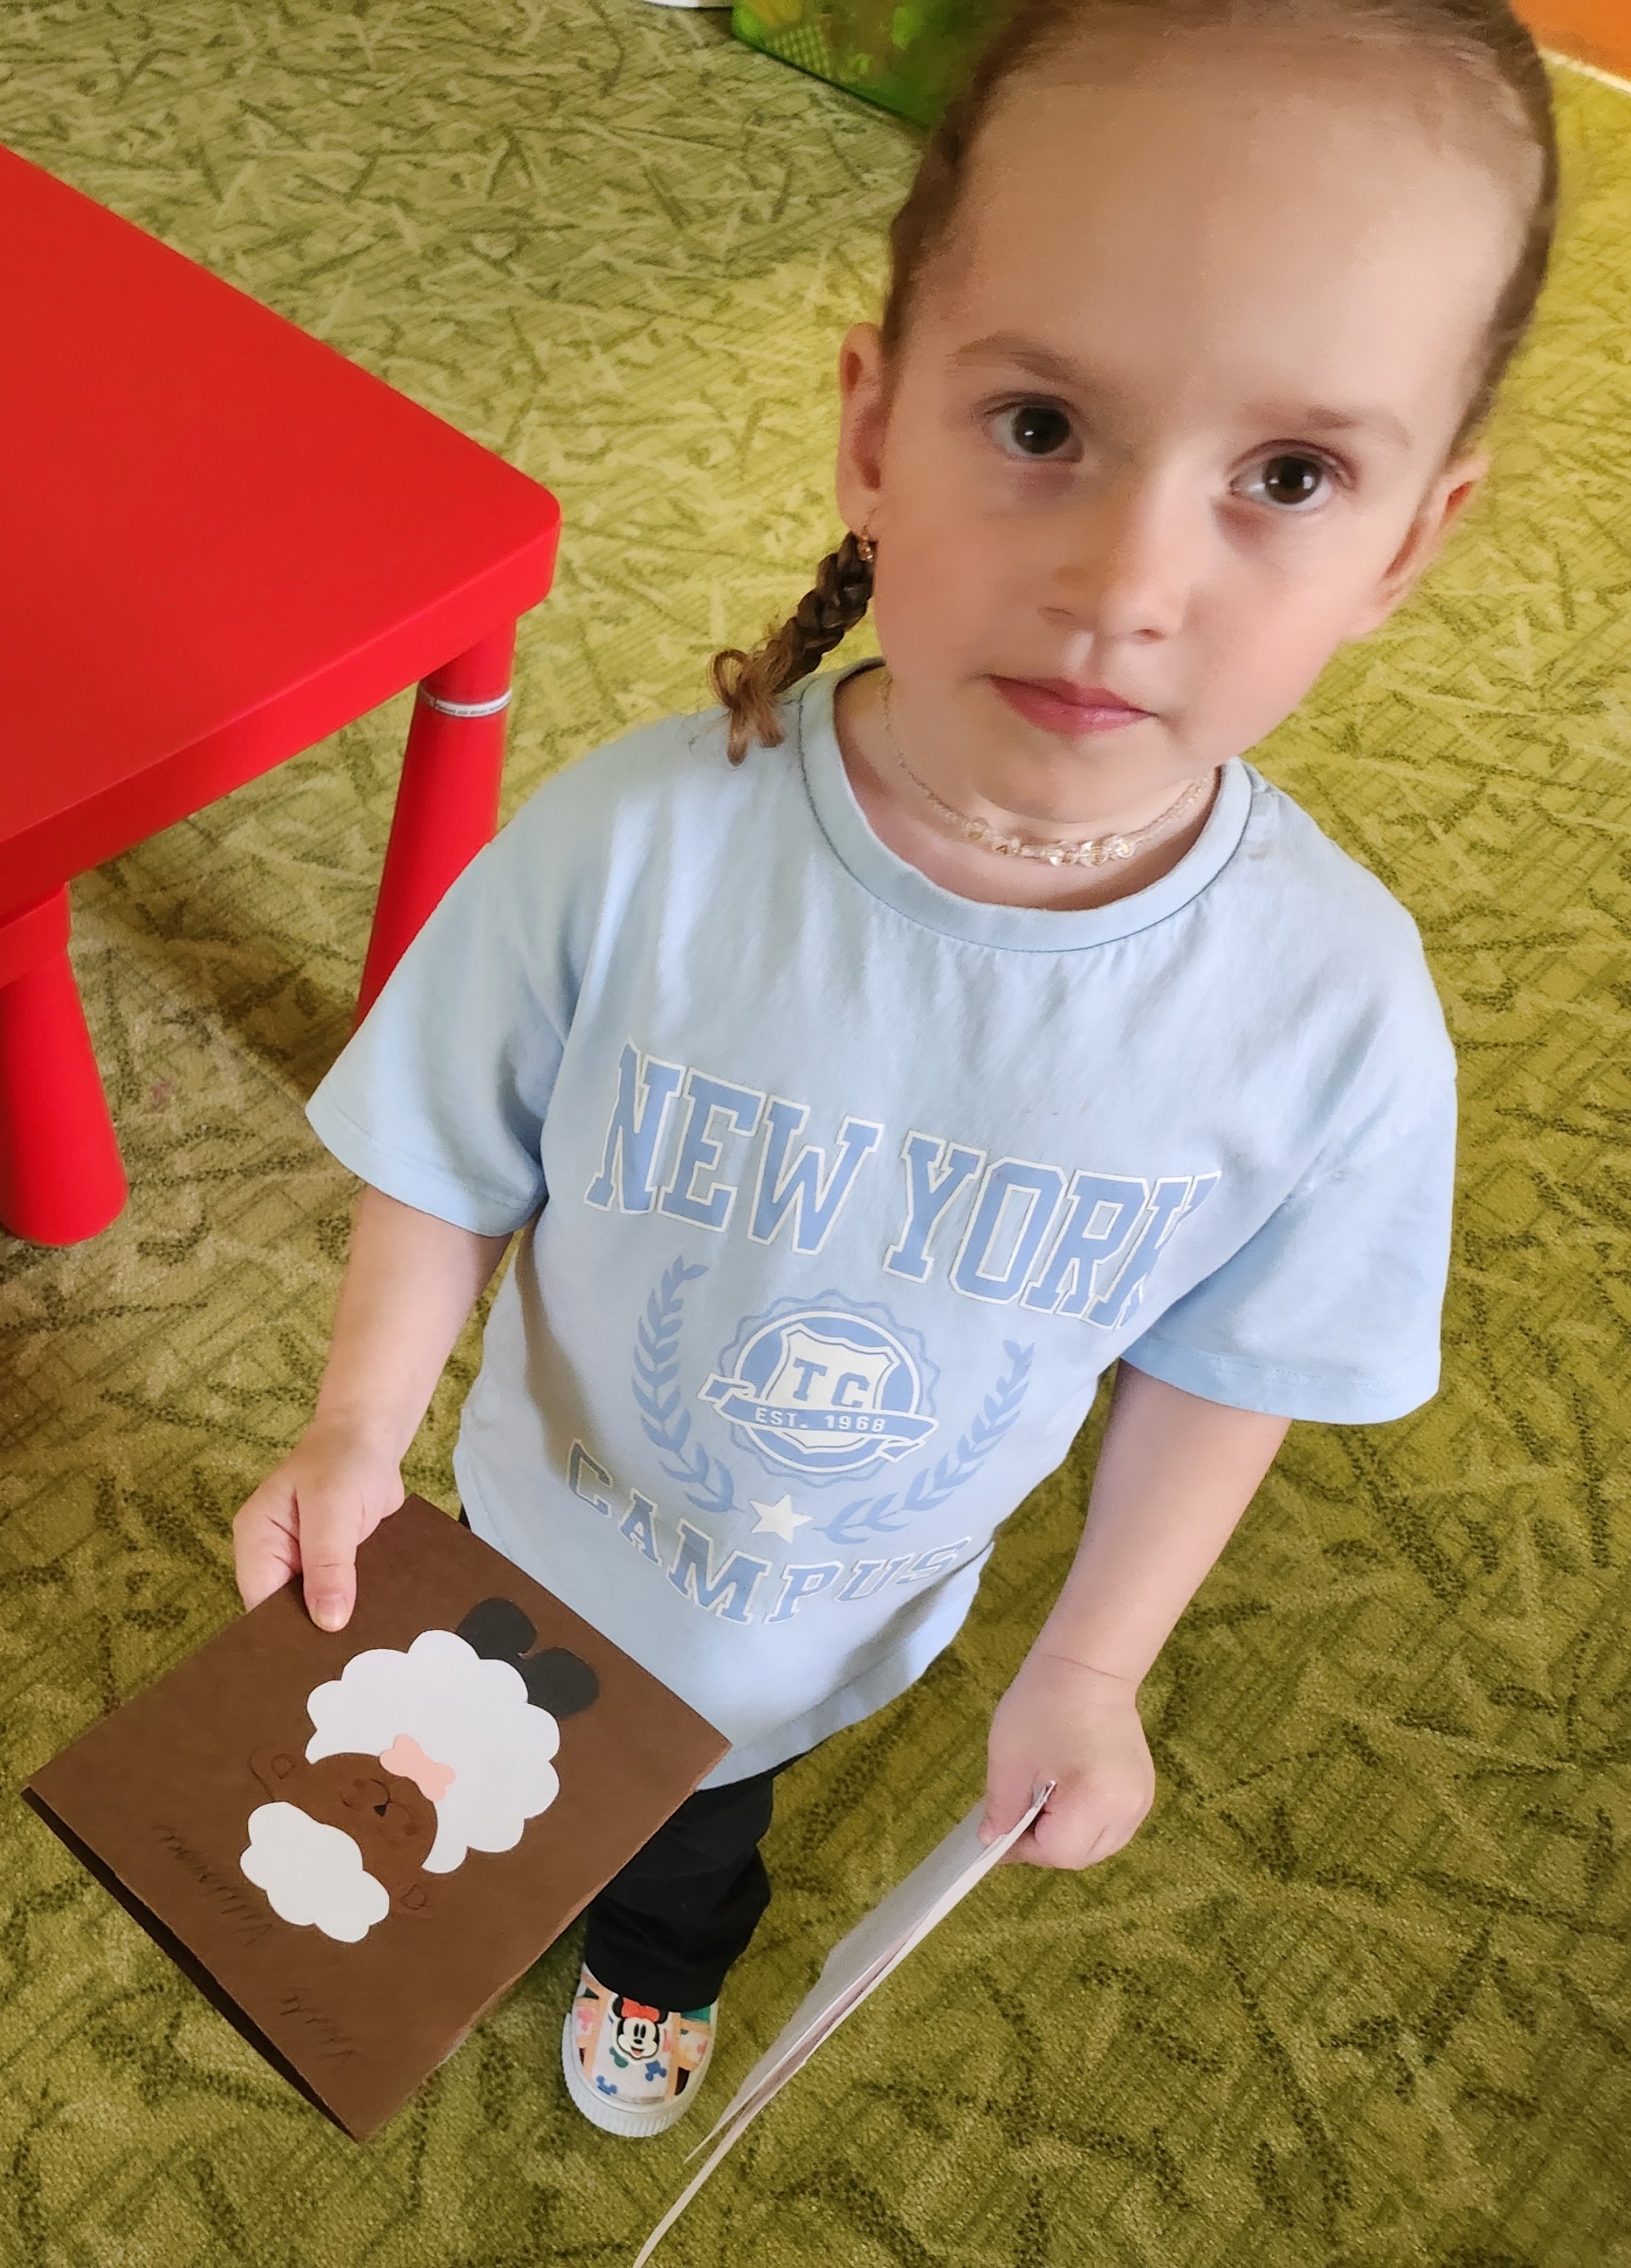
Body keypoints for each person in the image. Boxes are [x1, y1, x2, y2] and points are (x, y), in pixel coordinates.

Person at [234, 0, 1559, 2138]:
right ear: (871, 431)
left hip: (828, 1636)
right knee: (461, 1778)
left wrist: (1094, 1666)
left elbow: (1230, 1364)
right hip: (525, 1542)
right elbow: (449, 1151)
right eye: (1042, 424)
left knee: (693, 1832)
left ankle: (660, 1957)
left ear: (1411, 543)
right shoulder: (639, 843)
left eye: (1290, 477)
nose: (1129, 583)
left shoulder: (1335, 1016)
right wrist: (352, 1423)